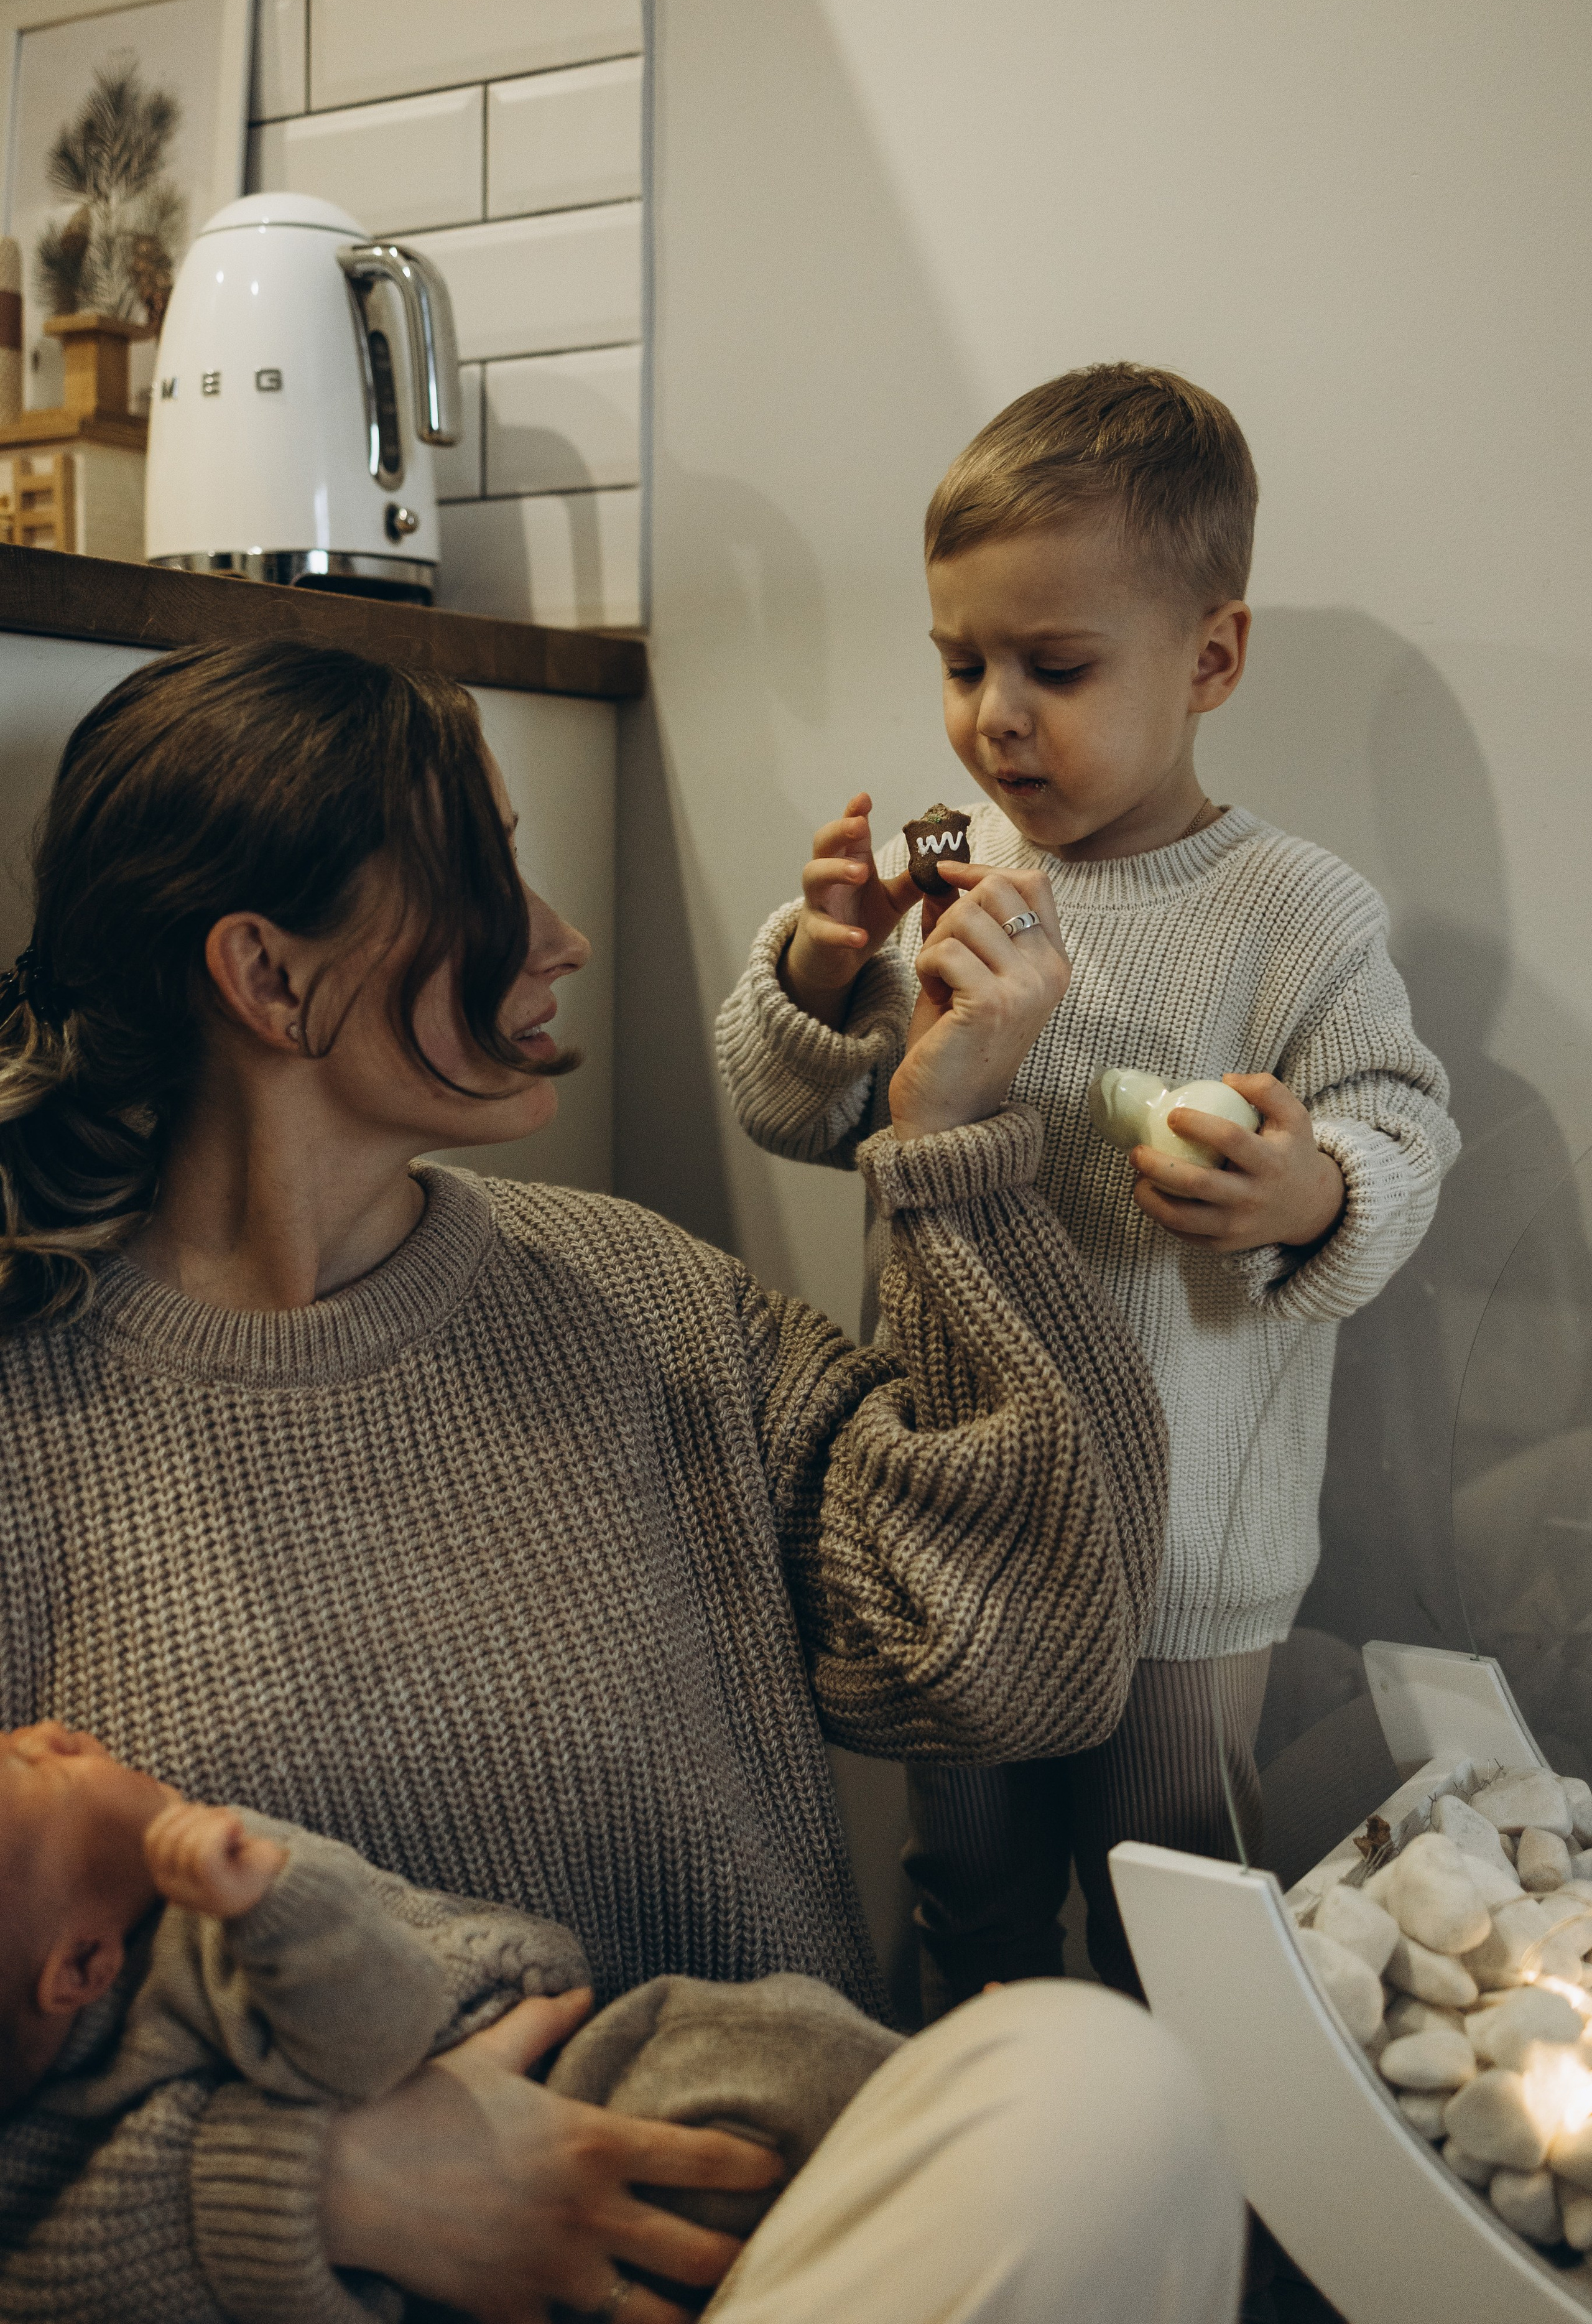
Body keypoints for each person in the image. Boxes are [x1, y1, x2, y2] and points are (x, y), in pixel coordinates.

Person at [0, 639, 1241, 2324]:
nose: (561, 937)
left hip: (773, 2255)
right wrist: (321, 2187)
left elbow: (1018, 1659)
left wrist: (950, 1144)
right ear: (270, 979)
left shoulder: (633, 1297)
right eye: (484, 881)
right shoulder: (31, 1426)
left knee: (1102, 2092)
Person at [716, 362, 1461, 2012]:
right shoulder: (946, 891)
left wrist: (1310, 1196)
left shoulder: (1294, 915)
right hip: (961, 1521)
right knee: (964, 1891)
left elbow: (1404, 1133)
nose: (994, 714)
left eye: (1054, 668)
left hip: (1185, 1558)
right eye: (959, 662)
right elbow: (796, 1116)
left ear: (1210, 659)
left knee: (1176, 1919)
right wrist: (825, 973)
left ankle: (1178, 2155)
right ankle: (983, 2128)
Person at [0, 1722, 897, 2280]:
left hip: (536, 2163)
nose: (45, 1732)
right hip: (577, 2086)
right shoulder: (199, 1943)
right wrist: (274, 1901)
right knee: (786, 2064)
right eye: (40, 1768)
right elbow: (379, 2039)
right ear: (82, 1965)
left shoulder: (69, 2101)